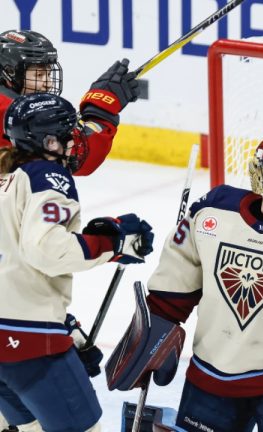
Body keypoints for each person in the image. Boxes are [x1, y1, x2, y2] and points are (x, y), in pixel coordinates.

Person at [106, 132, 263, 431]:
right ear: (258, 173)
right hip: (213, 378)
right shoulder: (213, 211)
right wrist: (155, 329)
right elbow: (178, 276)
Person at [0, 93, 154, 432]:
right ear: (50, 141)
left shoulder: (6, 180)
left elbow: (10, 266)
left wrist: (65, 323)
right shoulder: (47, 176)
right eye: (70, 134)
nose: (76, 141)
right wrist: (113, 244)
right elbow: (47, 251)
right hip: (29, 343)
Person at [0, 29, 139, 176]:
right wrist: (101, 108)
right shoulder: (14, 112)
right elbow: (79, 156)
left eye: (48, 73)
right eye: (39, 75)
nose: (48, 84)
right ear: (10, 72)